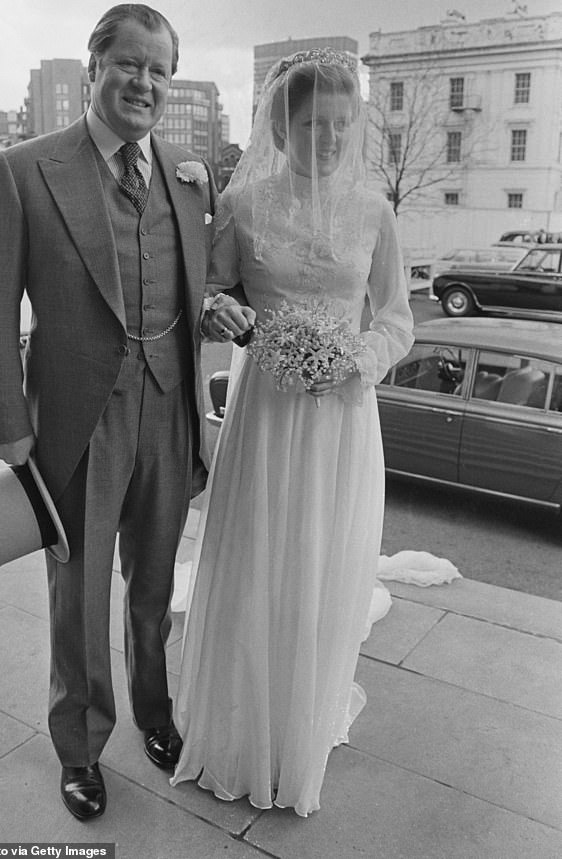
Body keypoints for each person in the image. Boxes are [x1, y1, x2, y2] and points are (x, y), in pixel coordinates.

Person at [0, 4, 218, 821]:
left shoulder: (189, 174)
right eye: (131, 64)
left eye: (159, 70)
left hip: (169, 418)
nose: (145, 82)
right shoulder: (24, 168)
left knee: (153, 590)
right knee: (78, 601)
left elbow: (197, 287)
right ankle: (79, 749)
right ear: (95, 67)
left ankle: (156, 712)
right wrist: (10, 430)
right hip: (77, 426)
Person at [170, 48, 415, 817]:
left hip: (342, 416)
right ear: (282, 124)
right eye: (315, 125)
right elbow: (207, 289)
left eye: (344, 124)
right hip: (266, 411)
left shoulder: (375, 209)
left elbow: (398, 317)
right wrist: (224, 310)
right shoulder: (244, 207)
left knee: (321, 563)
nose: (333, 139)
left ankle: (302, 721)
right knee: (256, 559)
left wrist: (360, 362)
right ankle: (247, 719)